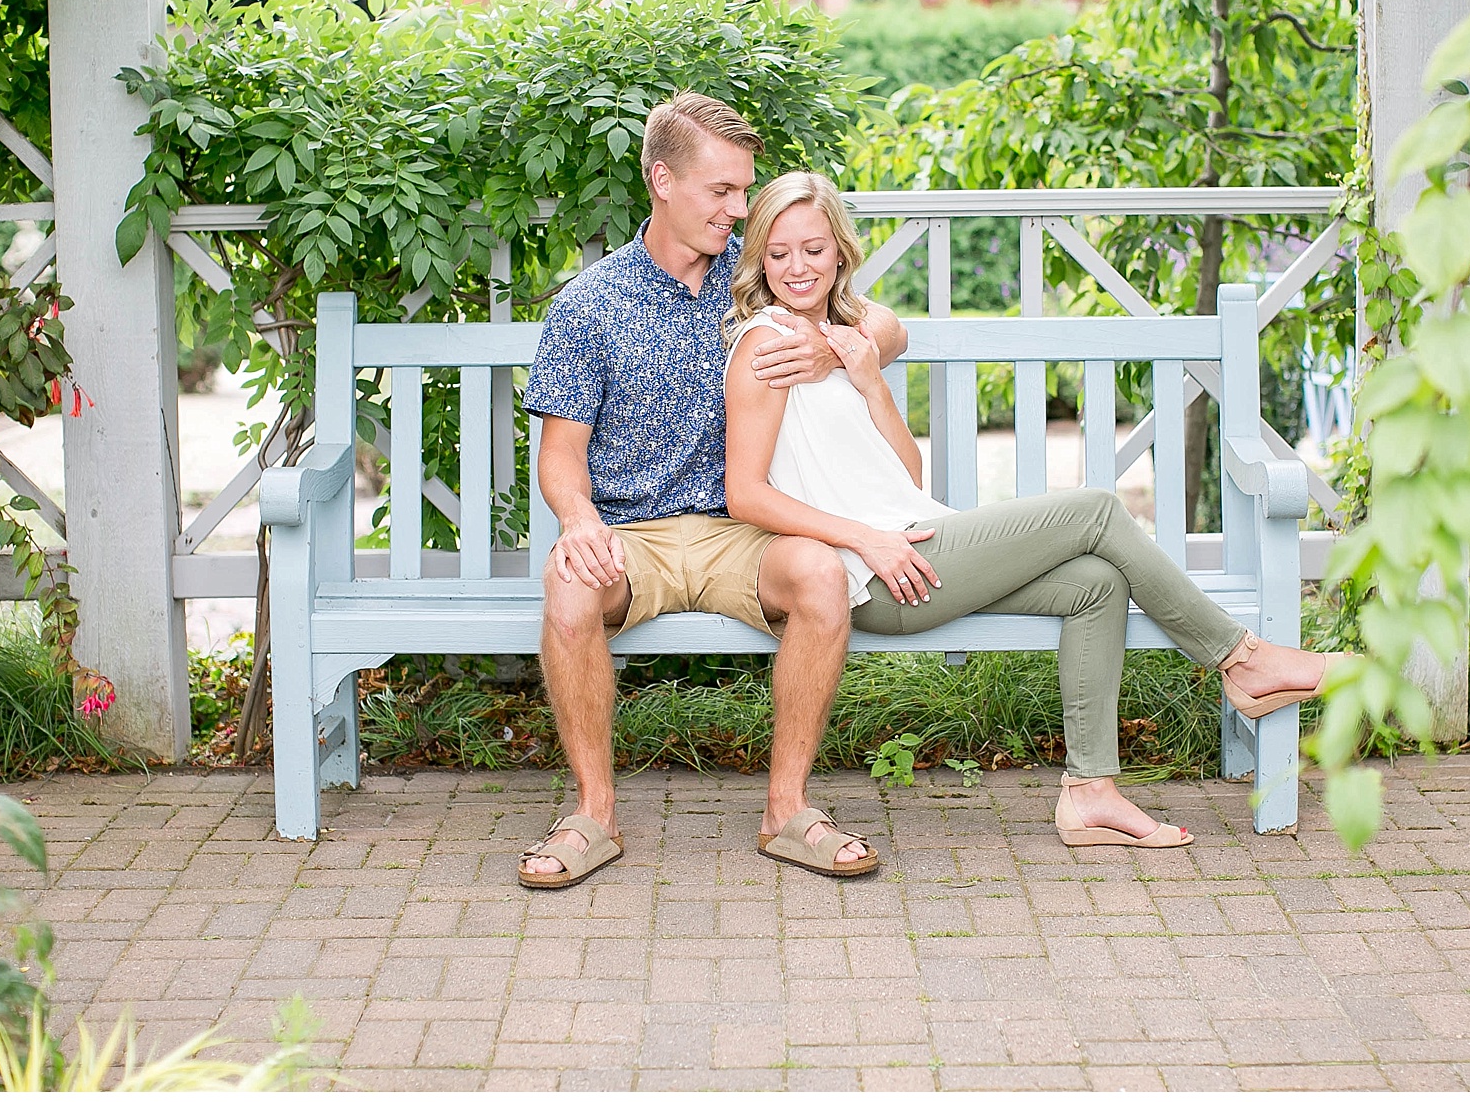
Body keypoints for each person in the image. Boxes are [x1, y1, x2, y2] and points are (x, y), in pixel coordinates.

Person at [722, 172, 1344, 846]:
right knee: (1097, 511)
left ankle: (1091, 794)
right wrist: (864, 540)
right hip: (875, 572)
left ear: (839, 251)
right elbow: (745, 492)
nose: (797, 267)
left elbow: (905, 474)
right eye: (778, 253)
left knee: (1096, 586)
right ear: (758, 258)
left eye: (812, 249)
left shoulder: (844, 339)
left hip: (913, 540)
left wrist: (870, 380)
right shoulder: (767, 344)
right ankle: (1241, 659)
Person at [518, 94, 909, 890]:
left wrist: (837, 355)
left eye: (744, 191)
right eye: (721, 192)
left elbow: (889, 325)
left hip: (746, 532)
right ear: (662, 180)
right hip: (636, 537)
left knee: (823, 575)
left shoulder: (759, 288)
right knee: (567, 586)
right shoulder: (589, 305)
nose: (739, 210)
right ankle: (594, 816)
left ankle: (787, 812)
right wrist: (578, 519)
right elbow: (560, 453)